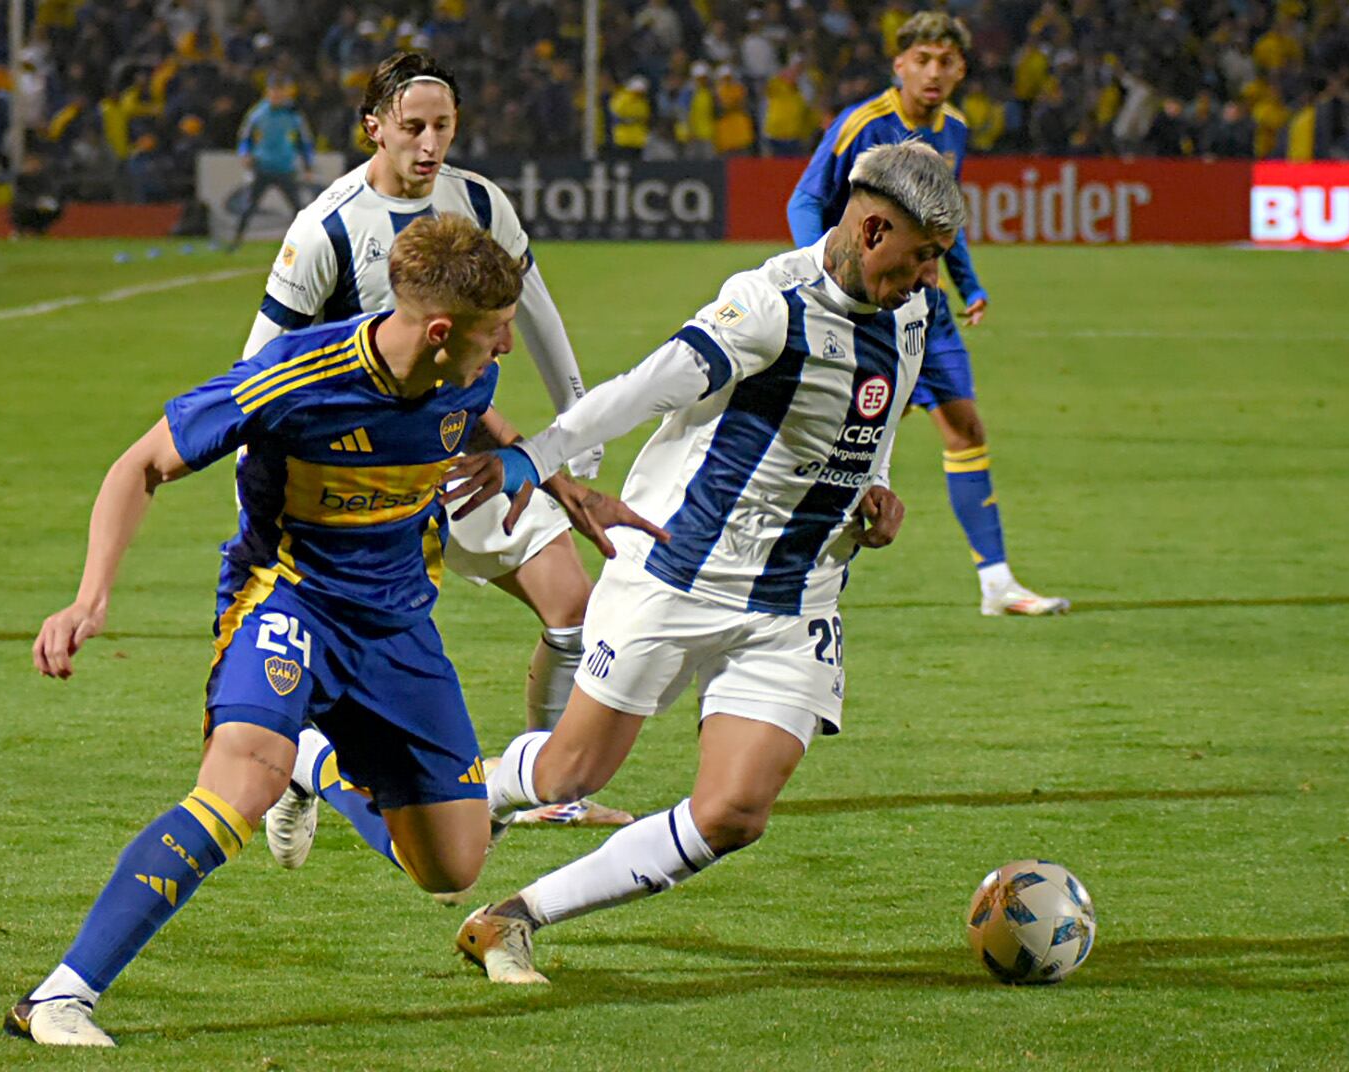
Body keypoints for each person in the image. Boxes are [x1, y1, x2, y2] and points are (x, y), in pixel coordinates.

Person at [3, 215, 641, 1046]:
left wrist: (566, 488)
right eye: (496, 334)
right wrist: (89, 599)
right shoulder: (297, 376)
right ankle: (60, 996)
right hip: (289, 603)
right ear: (441, 331)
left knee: (452, 866)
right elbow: (141, 465)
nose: (507, 350)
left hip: (397, 626)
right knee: (239, 787)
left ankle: (319, 761)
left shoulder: (465, 374)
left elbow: (487, 423)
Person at [449, 141, 956, 984]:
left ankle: (511, 919)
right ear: (870, 229)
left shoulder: (908, 315)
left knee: (734, 813)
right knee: (572, 771)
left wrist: (877, 489)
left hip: (796, 599)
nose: (927, 280)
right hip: (678, 578)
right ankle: (484, 790)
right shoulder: (768, 306)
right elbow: (646, 385)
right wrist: (533, 457)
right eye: (918, 258)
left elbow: (876, 419)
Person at [242, 52, 630, 866]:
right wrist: (261, 503)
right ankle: (309, 765)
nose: (428, 144)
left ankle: (553, 793)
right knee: (349, 673)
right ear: (373, 126)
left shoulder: (481, 200)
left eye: (442, 127)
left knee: (572, 604)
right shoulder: (328, 226)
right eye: (411, 127)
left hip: (471, 451)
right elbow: (260, 372)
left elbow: (539, 313)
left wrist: (575, 428)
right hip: (364, 480)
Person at [786, 12, 1068, 617]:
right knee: (833, 435)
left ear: (962, 68)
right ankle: (791, 565)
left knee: (964, 428)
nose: (933, 72)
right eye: (922, 60)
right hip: (858, 303)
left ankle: (996, 584)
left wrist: (969, 284)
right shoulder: (860, 124)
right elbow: (806, 197)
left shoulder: (955, 129)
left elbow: (941, 223)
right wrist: (819, 271)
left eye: (945, 62)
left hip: (924, 307)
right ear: (899, 65)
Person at [228, 76, 313, 250]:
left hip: (285, 167)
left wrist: (308, 166)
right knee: (249, 205)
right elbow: (245, 138)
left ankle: (307, 244)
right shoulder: (258, 114)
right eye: (274, 91)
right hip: (263, 166)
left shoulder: (293, 115)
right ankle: (236, 241)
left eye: (280, 92)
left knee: (297, 208)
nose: (277, 95)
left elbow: (304, 141)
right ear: (268, 93)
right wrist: (245, 154)